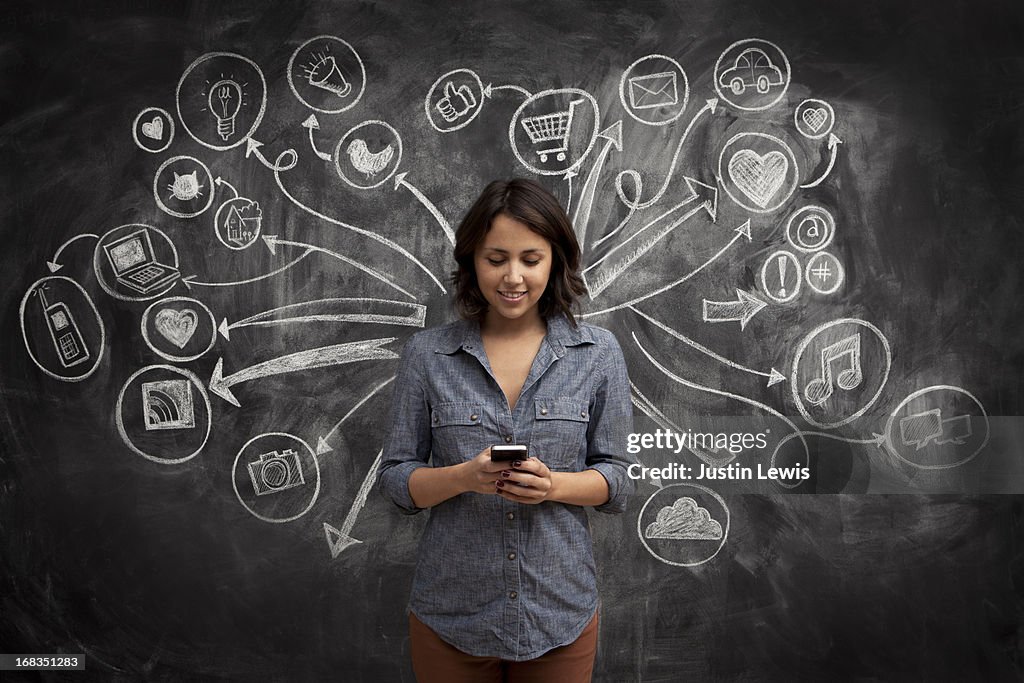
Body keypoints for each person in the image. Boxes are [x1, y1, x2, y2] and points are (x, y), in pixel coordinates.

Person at [377, 178, 635, 682]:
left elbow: (619, 482)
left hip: (559, 613)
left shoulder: (598, 353)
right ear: (472, 260)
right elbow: (395, 481)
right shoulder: (428, 355)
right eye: (496, 259)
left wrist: (553, 486)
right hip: (451, 616)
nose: (512, 277)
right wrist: (463, 478)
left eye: (530, 260)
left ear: (555, 260)